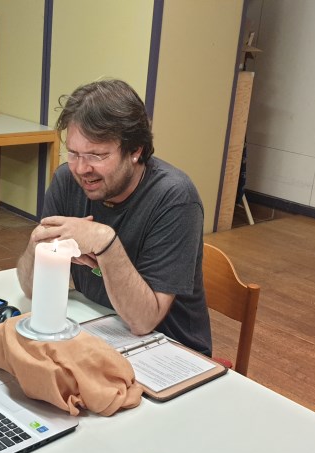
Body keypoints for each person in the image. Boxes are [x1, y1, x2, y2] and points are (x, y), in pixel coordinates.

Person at [16, 79, 211, 356]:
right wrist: (35, 245)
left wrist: (104, 241)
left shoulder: (175, 198)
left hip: (170, 348)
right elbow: (31, 290)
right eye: (73, 153)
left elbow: (144, 321)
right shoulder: (67, 180)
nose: (81, 168)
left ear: (135, 150)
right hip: (100, 326)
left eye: (96, 155)